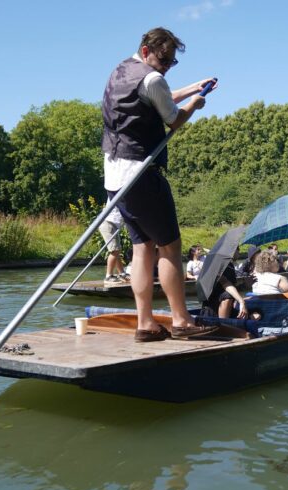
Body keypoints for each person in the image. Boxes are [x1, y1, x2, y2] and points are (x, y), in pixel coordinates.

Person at [102, 27, 217, 342]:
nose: (166, 66)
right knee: (170, 246)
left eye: (171, 62)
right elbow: (174, 119)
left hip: (115, 175)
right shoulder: (153, 79)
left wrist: (192, 88)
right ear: (145, 51)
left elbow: (156, 97)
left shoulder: (122, 71)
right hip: (141, 173)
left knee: (142, 248)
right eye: (163, 59)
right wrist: (195, 104)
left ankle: (146, 324)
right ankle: (181, 320)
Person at [203, 253, 249, 319]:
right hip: (212, 311)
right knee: (228, 295)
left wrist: (245, 285)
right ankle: (224, 324)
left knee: (256, 315)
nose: (239, 252)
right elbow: (226, 284)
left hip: (229, 309)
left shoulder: (230, 265)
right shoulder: (217, 265)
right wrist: (241, 301)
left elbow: (233, 289)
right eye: (237, 249)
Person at [99, 199, 128, 286]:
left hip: (113, 225)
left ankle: (122, 273)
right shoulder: (118, 192)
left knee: (117, 250)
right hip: (108, 223)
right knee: (114, 251)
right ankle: (108, 276)